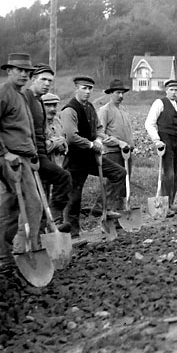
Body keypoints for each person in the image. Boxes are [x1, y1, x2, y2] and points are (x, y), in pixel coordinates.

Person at [0, 53, 43, 272]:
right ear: (8, 70)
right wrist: (4, 153)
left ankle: (4, 257)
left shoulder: (19, 95)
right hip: (11, 159)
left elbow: (23, 130)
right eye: (19, 70)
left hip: (23, 160)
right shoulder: (2, 93)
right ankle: (25, 250)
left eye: (27, 71)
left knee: (9, 208)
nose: (24, 74)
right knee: (33, 204)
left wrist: (33, 154)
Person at [61, 76, 126, 236]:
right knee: (74, 197)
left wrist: (97, 139)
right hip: (75, 158)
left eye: (90, 88)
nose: (88, 91)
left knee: (119, 173)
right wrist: (91, 144)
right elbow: (71, 137)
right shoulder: (70, 110)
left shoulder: (90, 107)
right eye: (84, 88)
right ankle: (72, 233)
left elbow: (98, 128)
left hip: (91, 157)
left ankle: (104, 208)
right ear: (76, 88)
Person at [23, 65, 72, 232]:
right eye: (43, 79)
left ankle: (50, 225)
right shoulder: (26, 100)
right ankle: (34, 234)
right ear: (32, 79)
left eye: (49, 81)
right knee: (35, 202)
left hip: (45, 159)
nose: (46, 83)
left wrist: (62, 144)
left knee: (56, 185)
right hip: (31, 158)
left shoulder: (40, 106)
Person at [145, 79, 177, 215]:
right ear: (166, 90)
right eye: (172, 90)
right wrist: (157, 140)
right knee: (168, 174)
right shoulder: (159, 103)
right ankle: (163, 206)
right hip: (165, 140)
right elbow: (149, 123)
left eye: (176, 90)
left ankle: (171, 203)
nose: (174, 93)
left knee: (175, 174)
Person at [97, 79, 135, 212]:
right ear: (111, 93)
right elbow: (100, 134)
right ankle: (106, 213)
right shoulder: (105, 110)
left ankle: (119, 214)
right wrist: (118, 143)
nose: (121, 96)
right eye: (118, 92)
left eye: (122, 93)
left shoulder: (123, 110)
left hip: (126, 153)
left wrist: (130, 144)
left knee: (124, 186)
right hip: (112, 153)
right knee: (113, 185)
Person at [41, 93, 67, 167]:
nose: (52, 109)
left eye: (54, 105)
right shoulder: (37, 123)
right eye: (48, 105)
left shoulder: (57, 121)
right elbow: (40, 148)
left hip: (58, 163)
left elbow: (64, 139)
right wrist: (57, 141)